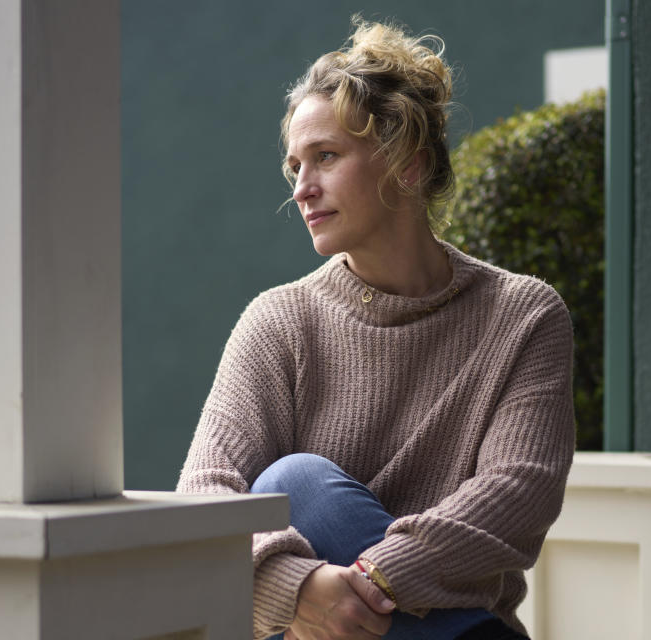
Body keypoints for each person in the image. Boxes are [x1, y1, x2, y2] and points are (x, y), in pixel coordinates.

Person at [178, 17, 574, 640]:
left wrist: (370, 584)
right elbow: (204, 491)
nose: (303, 189)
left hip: (397, 615)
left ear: (408, 166)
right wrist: (303, 589)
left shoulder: (522, 315)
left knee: (293, 481)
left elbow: (517, 494)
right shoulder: (279, 321)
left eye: (326, 157)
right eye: (295, 167)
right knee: (293, 481)